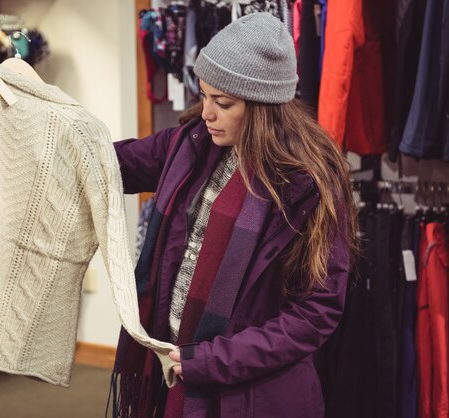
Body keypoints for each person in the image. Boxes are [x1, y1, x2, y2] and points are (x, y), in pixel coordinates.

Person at [110, 12, 358, 418]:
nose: (206, 112)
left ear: (263, 108)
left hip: (252, 394)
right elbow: (108, 162)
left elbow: (315, 314)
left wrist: (209, 360)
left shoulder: (306, 183)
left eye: (223, 103)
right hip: (176, 375)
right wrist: (29, 105)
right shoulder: (191, 144)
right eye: (204, 95)